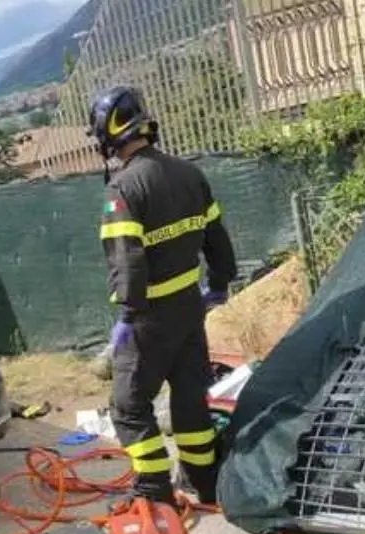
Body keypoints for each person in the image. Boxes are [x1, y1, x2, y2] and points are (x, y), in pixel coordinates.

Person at [87, 85, 237, 506]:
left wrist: (127, 319)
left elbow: (128, 262)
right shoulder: (190, 174)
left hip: (148, 316)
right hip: (190, 308)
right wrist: (220, 284)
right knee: (190, 399)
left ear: (106, 134)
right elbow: (217, 241)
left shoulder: (123, 189)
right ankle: (204, 483)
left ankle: (154, 493)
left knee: (129, 407)